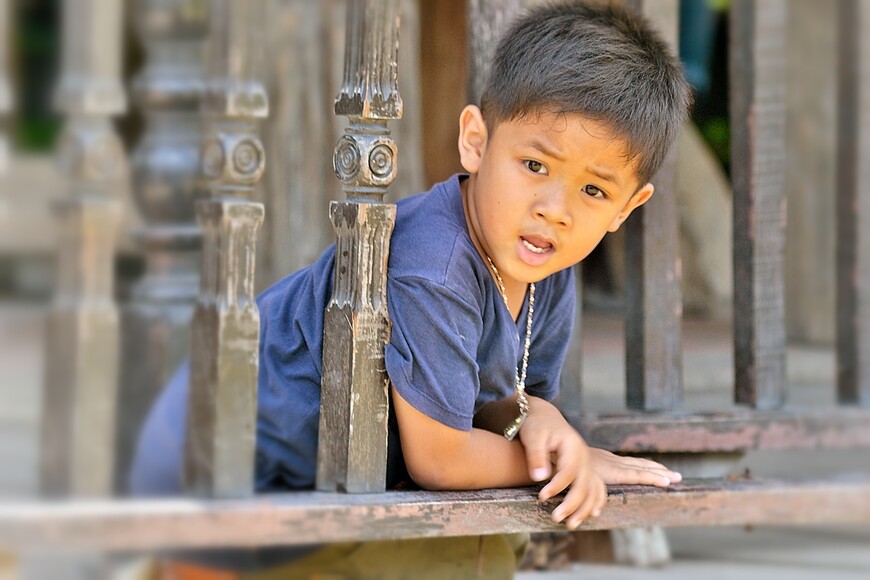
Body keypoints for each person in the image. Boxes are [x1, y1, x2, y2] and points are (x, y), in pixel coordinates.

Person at [130, 1, 692, 577]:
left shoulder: (543, 266)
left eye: (594, 192)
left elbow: (493, 403)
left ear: (628, 207)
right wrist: (566, 464)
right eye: (535, 166)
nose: (555, 211)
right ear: (475, 141)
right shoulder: (436, 264)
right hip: (212, 468)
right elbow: (443, 458)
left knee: (486, 543)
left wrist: (537, 419)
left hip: (329, 481)